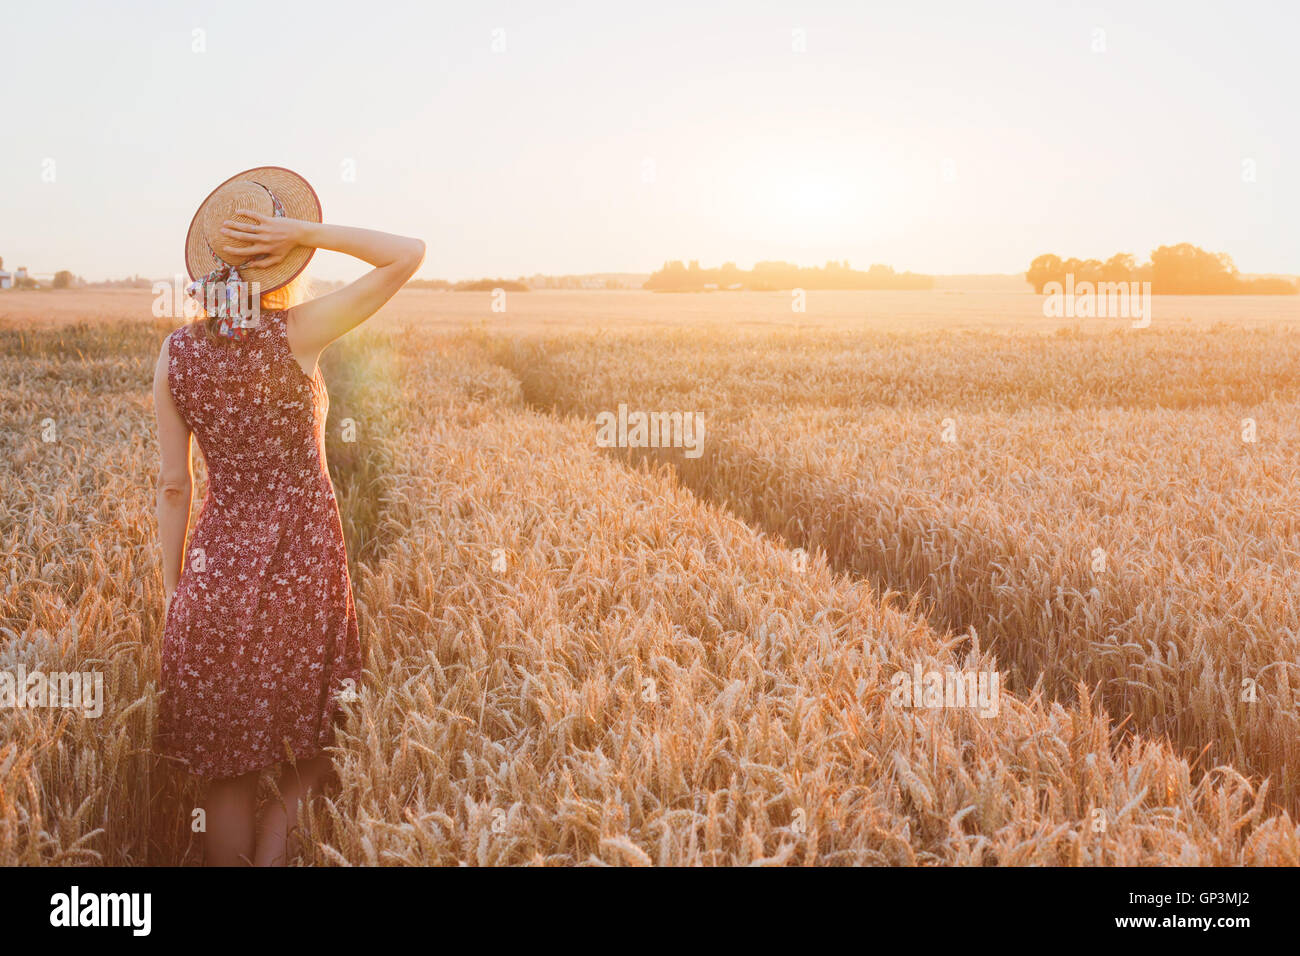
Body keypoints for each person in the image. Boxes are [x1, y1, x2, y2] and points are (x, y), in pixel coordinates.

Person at [152, 167, 424, 865]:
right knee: (307, 755)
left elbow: (173, 488)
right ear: (281, 258)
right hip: (303, 575)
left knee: (227, 769)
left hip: (213, 583)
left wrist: (175, 591)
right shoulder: (300, 331)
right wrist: (303, 231)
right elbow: (408, 252)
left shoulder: (176, 352)